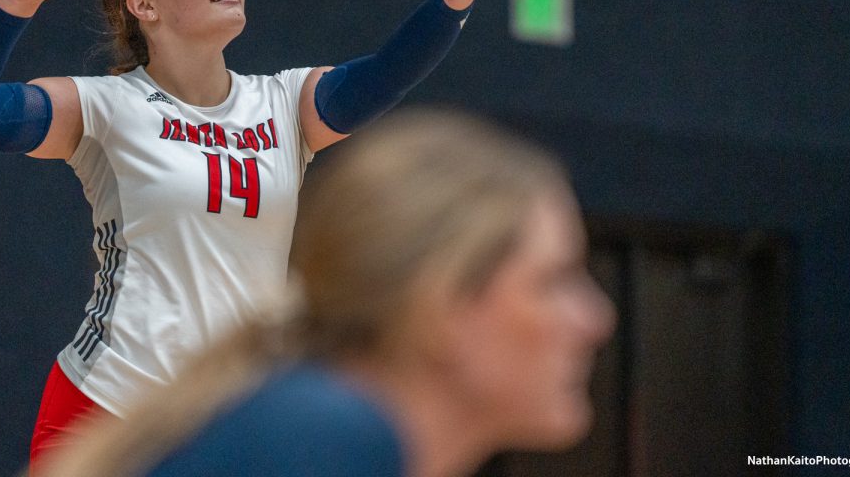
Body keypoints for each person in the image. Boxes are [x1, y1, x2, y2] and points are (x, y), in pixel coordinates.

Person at [0, 0, 503, 467]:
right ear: (142, 5)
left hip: (236, 408)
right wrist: (14, 2)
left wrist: (452, 3)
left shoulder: (282, 102)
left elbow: (383, 77)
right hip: (109, 400)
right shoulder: (103, 106)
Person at [39, 108, 616, 477]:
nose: (596, 319)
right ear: (444, 309)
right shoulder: (324, 437)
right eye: (554, 280)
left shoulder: (312, 428)